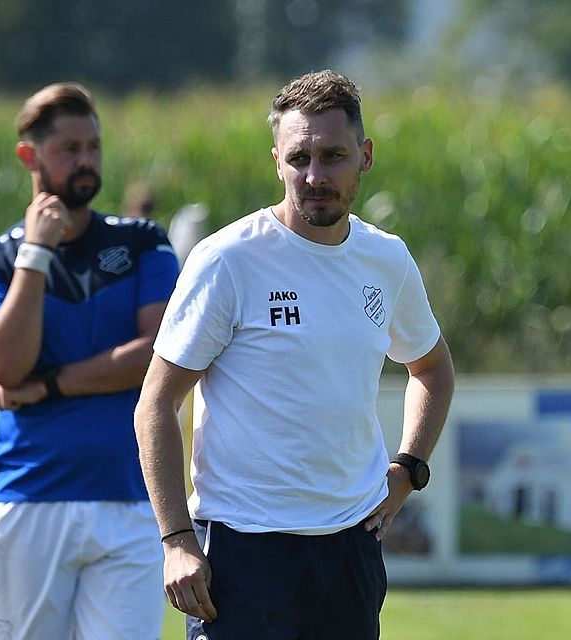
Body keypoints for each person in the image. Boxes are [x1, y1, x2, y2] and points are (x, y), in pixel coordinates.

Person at [134, 70, 456, 639]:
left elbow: (430, 369)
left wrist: (408, 469)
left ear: (366, 156)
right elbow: (156, 404)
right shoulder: (227, 260)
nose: (315, 175)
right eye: (298, 157)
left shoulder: (386, 260)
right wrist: (178, 542)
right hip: (242, 552)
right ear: (276, 161)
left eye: (333, 155)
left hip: (351, 551)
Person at [0, 82, 180, 640]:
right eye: (70, 150)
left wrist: (51, 385)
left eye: (94, 147)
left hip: (132, 499)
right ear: (29, 158)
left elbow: (162, 355)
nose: (86, 161)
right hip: (31, 498)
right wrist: (35, 254)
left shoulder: (143, 244)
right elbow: (6, 367)